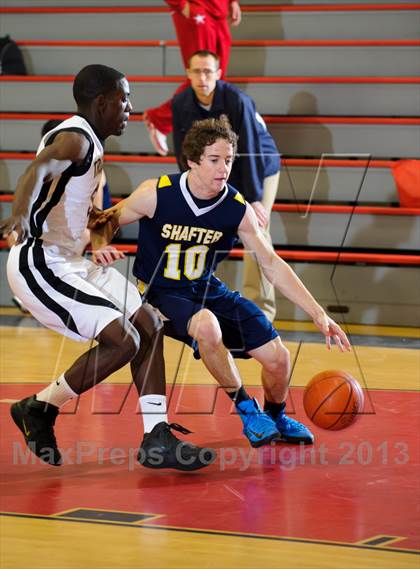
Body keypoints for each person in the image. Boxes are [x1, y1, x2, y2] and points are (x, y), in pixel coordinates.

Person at [0, 64, 215, 471]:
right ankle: (41, 408)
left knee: (150, 322)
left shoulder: (91, 143)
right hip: (40, 263)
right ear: (101, 102)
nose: (130, 107)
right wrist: (17, 213)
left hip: (71, 259)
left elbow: (83, 214)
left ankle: (157, 437)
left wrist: (99, 240)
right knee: (126, 340)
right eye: (124, 99)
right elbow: (38, 167)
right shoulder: (76, 139)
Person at [89, 116, 352, 449]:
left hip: (206, 289)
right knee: (208, 327)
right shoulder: (157, 193)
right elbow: (103, 220)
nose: (223, 168)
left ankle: (275, 417)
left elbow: (271, 263)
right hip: (160, 293)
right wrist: (99, 246)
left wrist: (318, 314)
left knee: (279, 358)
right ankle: (246, 410)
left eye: (228, 160)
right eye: (214, 160)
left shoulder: (235, 207)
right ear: (192, 161)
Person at [172, 50, 280, 322]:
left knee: (255, 232)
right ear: (188, 74)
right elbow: (183, 150)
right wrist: (188, 188)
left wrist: (254, 199)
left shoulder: (236, 100)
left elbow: (252, 151)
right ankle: (197, 298)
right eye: (196, 71)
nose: (202, 77)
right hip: (216, 168)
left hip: (258, 168)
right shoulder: (181, 102)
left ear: (219, 74)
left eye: (208, 71)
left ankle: (261, 311)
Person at [143, 0, 241, 155]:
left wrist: (232, 2)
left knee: (215, 77)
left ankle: (161, 119)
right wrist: (181, 5)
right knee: (200, 77)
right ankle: (160, 119)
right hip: (197, 8)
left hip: (220, 9)